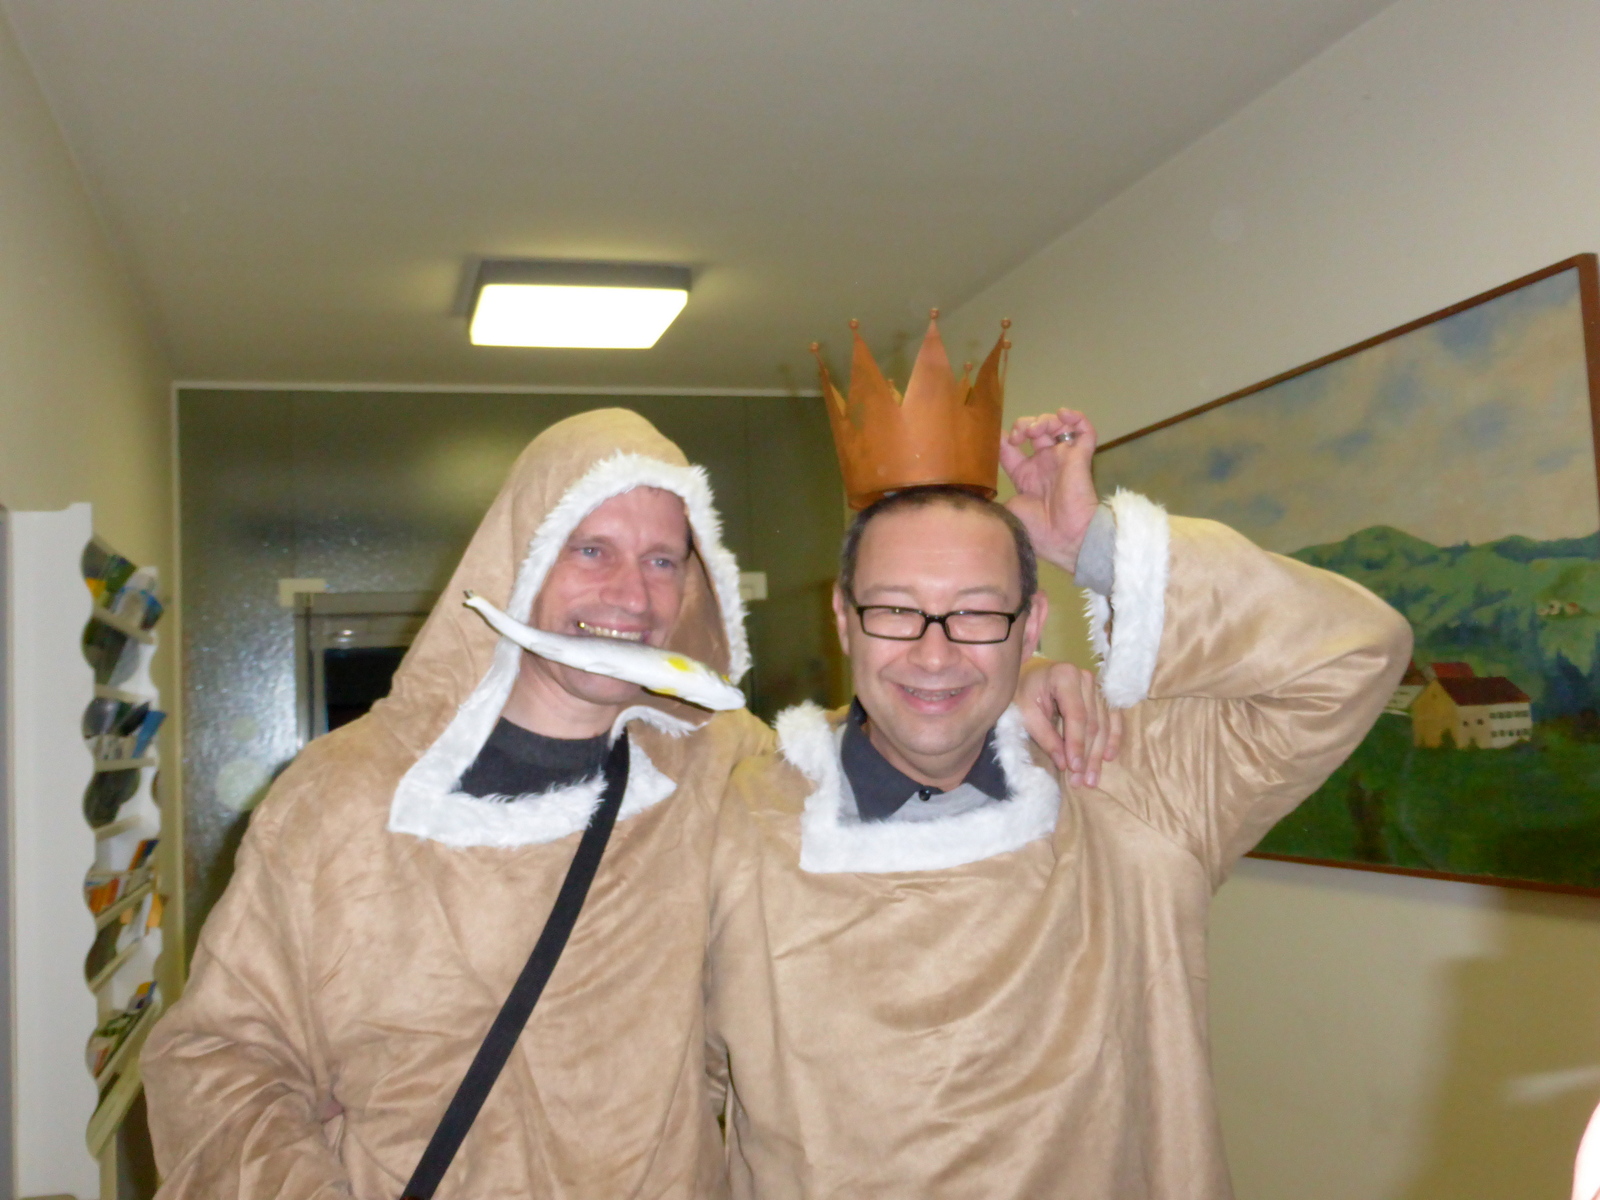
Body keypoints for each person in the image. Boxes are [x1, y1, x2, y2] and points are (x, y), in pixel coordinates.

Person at [142, 407, 1115, 1199]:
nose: (631, 596)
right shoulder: (342, 796)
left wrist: (1006, 690)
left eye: (661, 560)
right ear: (522, 558)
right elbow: (221, 1058)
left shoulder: (718, 767)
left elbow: (890, 739)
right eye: (592, 550)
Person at [704, 408, 1413, 1200]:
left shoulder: (1127, 781)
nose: (934, 654)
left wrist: (1091, 544)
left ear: (1031, 624)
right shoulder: (740, 824)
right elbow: (672, 1098)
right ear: (844, 622)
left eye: (977, 612)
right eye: (896, 610)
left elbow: (1357, 652)